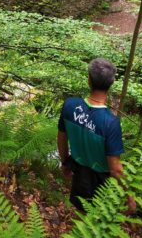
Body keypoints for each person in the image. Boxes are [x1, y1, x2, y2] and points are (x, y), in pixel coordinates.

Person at [57, 57, 135, 212]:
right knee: (97, 224)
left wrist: (65, 162)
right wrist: (129, 196)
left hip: (79, 173)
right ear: (111, 84)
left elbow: (61, 138)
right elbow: (116, 169)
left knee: (81, 214)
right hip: (102, 183)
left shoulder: (70, 105)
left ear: (89, 80)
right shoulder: (110, 122)